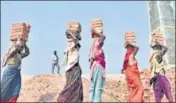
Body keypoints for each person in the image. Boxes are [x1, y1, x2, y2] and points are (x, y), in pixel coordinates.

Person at [57, 27, 83, 102]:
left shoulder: (74, 45)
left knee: (75, 88)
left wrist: (73, 33)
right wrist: (70, 32)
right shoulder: (70, 45)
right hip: (71, 69)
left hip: (73, 68)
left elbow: (77, 40)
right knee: (71, 87)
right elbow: (75, 40)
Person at [89, 29, 106, 102]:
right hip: (98, 66)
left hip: (95, 66)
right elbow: (103, 37)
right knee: (98, 86)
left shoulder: (93, 44)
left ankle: (92, 100)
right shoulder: (96, 43)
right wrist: (98, 33)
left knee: (93, 86)